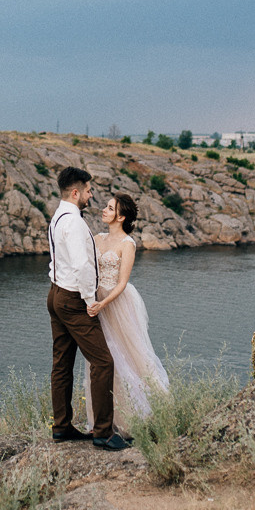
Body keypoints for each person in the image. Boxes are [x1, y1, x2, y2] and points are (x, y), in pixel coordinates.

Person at [47, 166, 130, 451]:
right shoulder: (73, 222)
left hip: (56, 293)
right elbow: (82, 265)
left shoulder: (58, 217)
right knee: (103, 361)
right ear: (75, 192)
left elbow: (59, 259)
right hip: (72, 299)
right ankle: (103, 433)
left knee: (62, 362)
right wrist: (88, 300)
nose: (90, 195)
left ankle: (61, 427)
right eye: (88, 190)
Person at [84, 193, 169, 435]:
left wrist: (103, 304)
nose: (104, 210)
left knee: (127, 358)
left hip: (117, 305)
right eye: (106, 207)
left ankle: (137, 419)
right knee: (100, 361)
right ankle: (102, 421)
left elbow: (122, 283)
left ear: (120, 217)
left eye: (110, 208)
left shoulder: (127, 244)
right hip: (96, 302)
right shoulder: (98, 238)